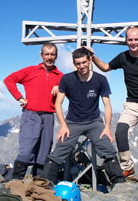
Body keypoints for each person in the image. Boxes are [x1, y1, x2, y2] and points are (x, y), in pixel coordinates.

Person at [91, 26, 138, 188]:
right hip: (131, 104)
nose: (133, 43)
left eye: (136, 39)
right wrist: (93, 56)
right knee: (120, 131)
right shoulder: (123, 57)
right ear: (126, 41)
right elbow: (105, 67)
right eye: (130, 40)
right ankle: (127, 167)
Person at [41, 47, 125, 187]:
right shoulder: (67, 79)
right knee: (59, 150)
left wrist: (107, 127)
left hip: (94, 122)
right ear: (74, 64)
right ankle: (46, 183)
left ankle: (120, 184)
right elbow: (58, 103)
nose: (82, 66)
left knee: (108, 150)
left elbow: (107, 105)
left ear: (90, 60)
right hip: (72, 122)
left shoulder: (100, 79)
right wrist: (63, 125)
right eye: (78, 63)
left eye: (84, 62)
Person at [4, 43, 63, 180]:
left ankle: (38, 186)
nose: (49, 57)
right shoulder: (31, 71)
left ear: (56, 56)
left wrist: (60, 87)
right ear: (41, 55)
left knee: (44, 153)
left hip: (49, 116)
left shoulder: (60, 76)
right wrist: (19, 97)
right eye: (46, 54)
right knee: (26, 151)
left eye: (52, 54)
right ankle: (15, 184)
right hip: (31, 115)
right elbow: (9, 80)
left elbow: (71, 90)